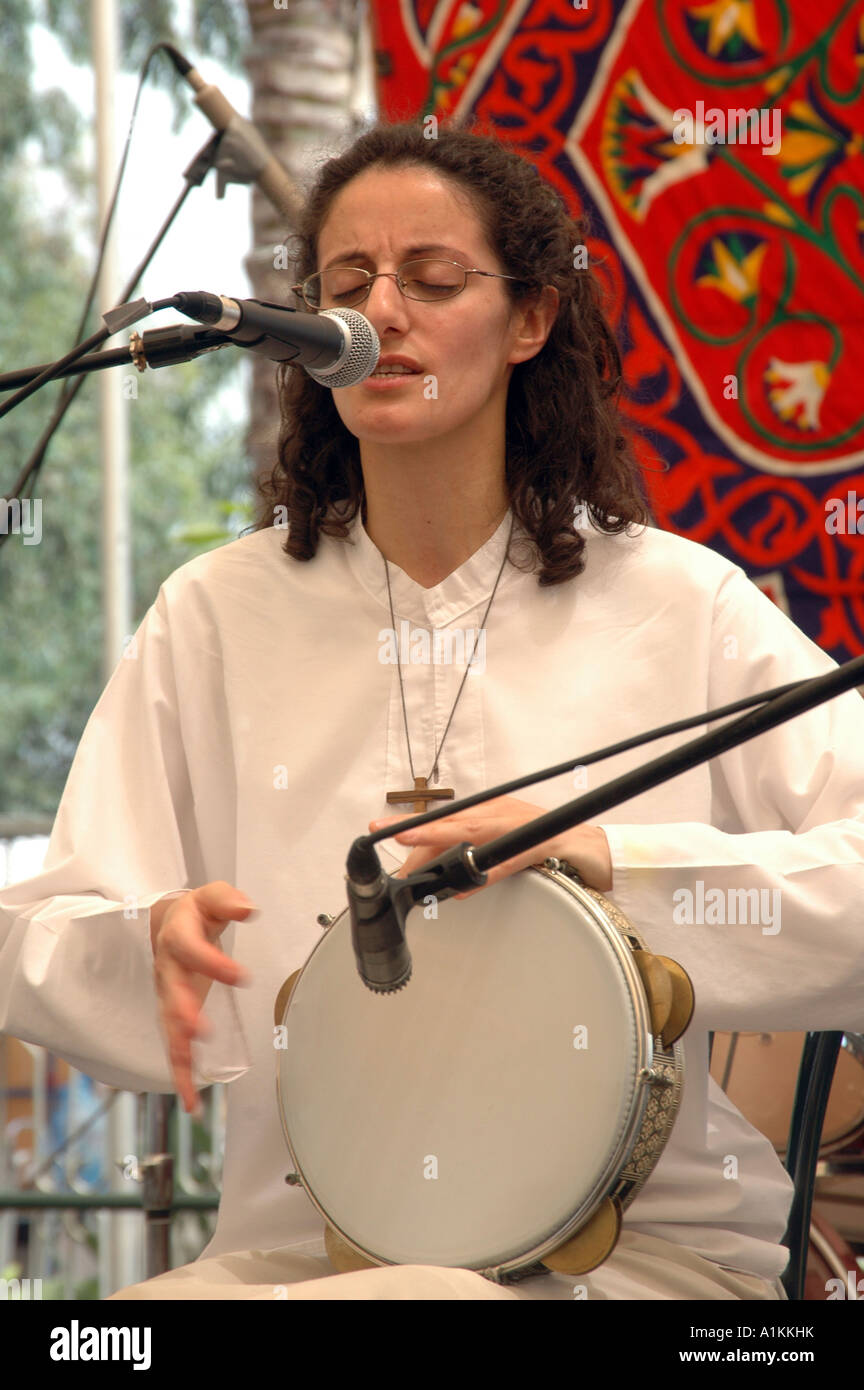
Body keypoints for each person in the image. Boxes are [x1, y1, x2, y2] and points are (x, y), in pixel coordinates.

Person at [1, 119, 862, 1302]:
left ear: (530, 320)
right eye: (347, 284)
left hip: (647, 1261)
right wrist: (140, 943)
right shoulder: (215, 616)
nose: (381, 311)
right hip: (300, 1258)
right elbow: (42, 936)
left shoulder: (681, 605)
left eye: (434, 278)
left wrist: (616, 860)